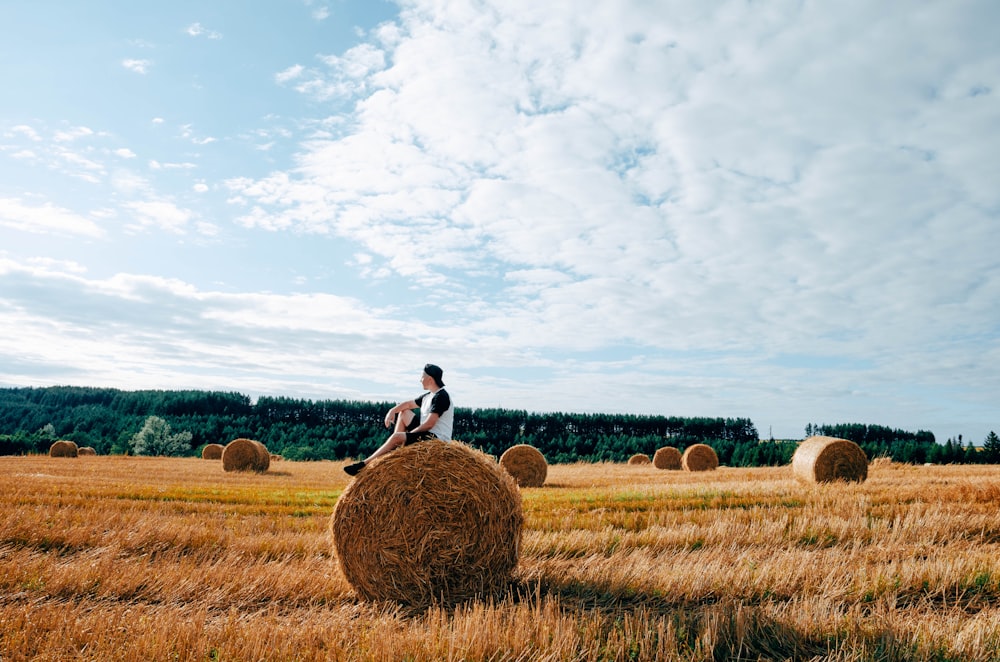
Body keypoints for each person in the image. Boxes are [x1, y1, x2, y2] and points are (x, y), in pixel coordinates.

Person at [343, 363, 453, 476]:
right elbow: (408, 404)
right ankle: (394, 453)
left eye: (422, 377)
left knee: (397, 437)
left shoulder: (441, 397)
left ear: (430, 379)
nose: (420, 380)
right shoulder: (429, 396)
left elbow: (429, 424)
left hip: (437, 440)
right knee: (404, 413)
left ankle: (364, 464)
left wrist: (408, 435)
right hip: (426, 434)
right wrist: (392, 411)